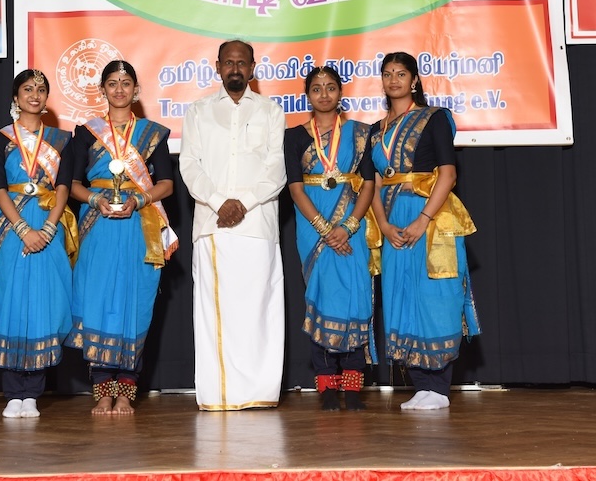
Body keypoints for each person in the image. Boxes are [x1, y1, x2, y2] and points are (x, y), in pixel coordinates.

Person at [368, 51, 479, 412]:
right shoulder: (376, 130)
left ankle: (440, 388)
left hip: (430, 216)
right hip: (392, 220)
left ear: (414, 80)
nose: (394, 80)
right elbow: (374, 183)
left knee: (435, 295)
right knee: (401, 295)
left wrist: (423, 219)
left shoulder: (434, 118)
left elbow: (448, 173)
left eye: (401, 73)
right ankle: (421, 385)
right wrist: (384, 224)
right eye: (388, 74)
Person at [179, 40, 287, 410]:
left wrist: (244, 203)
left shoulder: (271, 111)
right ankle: (218, 395)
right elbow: (189, 165)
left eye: (242, 63)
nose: (235, 69)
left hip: (257, 224)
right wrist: (218, 202)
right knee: (215, 313)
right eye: (229, 62)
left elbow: (276, 168)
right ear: (218, 67)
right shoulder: (199, 111)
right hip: (213, 225)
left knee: (258, 310)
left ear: (253, 67)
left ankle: (260, 392)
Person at [65, 60, 177, 415]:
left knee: (134, 301)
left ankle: (127, 389)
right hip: (98, 225)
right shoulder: (87, 133)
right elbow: (72, 184)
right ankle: (102, 389)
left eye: (125, 83)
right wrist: (95, 200)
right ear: (102, 90)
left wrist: (139, 199)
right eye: (112, 83)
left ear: (136, 90)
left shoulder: (152, 134)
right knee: (99, 301)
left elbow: (166, 184)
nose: (119, 89)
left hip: (139, 225)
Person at [284, 66, 377, 411]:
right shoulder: (294, 136)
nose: (324, 94)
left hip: (353, 223)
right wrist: (325, 230)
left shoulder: (361, 134)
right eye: (316, 88)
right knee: (321, 298)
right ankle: (326, 386)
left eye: (331, 87)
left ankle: (352, 387)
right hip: (313, 228)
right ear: (307, 96)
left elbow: (369, 183)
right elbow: (295, 188)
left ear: (341, 93)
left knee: (355, 297)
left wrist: (348, 226)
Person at [0, 69, 74, 419]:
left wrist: (48, 229)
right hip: (11, 226)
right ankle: (12, 392)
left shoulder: (62, 140)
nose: (34, 95)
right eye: (27, 89)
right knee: (11, 303)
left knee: (44, 304)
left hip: (49, 223)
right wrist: (22, 228)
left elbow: (63, 187)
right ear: (16, 97)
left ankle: (33, 392)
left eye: (41, 90)